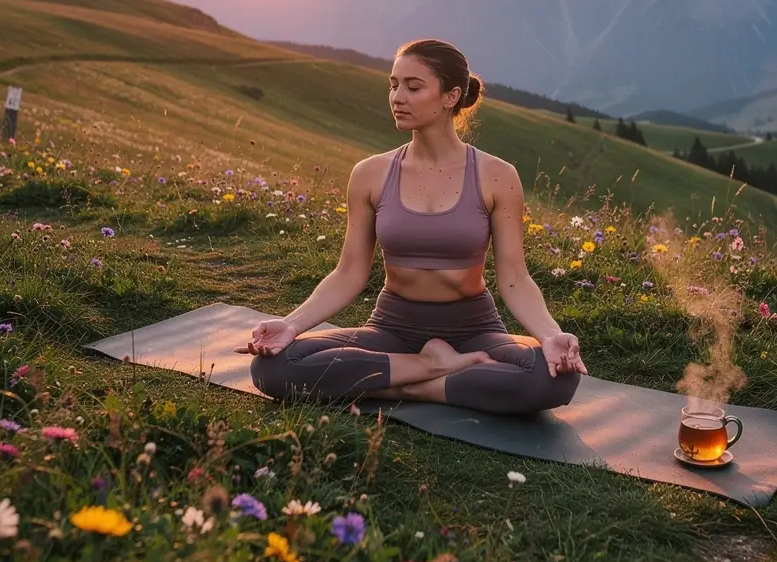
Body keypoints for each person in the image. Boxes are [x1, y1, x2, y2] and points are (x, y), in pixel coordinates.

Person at [237, 38, 587, 415]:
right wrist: (290, 325)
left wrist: (551, 336)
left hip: (473, 330)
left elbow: (515, 277)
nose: (397, 97)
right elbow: (349, 272)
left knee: (555, 376)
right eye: (393, 84)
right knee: (273, 367)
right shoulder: (370, 174)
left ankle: (406, 387)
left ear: (451, 96)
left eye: (413, 87)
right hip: (391, 328)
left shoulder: (497, 176)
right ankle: (431, 369)